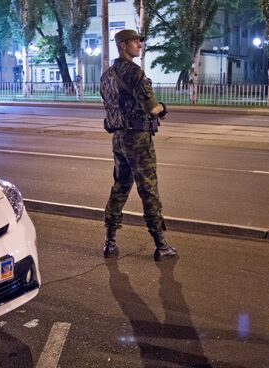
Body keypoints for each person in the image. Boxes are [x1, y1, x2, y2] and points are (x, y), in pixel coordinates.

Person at [100, 29, 177, 262]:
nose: (139, 45)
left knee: (120, 186)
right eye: (135, 42)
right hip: (138, 139)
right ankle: (161, 245)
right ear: (123, 46)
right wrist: (163, 109)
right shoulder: (134, 73)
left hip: (118, 138)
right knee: (149, 189)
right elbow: (151, 107)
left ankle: (110, 242)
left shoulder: (106, 75)